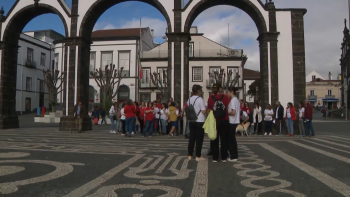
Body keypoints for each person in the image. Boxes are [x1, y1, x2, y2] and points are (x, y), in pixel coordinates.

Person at [207, 83, 230, 163]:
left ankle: (215, 158)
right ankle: (224, 157)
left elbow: (209, 109)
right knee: (224, 139)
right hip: (225, 120)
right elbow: (228, 107)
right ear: (220, 89)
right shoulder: (226, 97)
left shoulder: (210, 98)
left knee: (214, 139)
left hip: (215, 120)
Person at [187, 84, 207, 161]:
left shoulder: (189, 99)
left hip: (192, 120)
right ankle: (198, 156)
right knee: (199, 139)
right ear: (198, 91)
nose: (201, 92)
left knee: (191, 138)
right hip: (199, 120)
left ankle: (190, 154)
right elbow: (203, 111)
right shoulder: (200, 99)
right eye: (201, 90)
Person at [227, 87, 240, 162]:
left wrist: (226, 113)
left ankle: (233, 156)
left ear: (231, 92)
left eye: (228, 92)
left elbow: (233, 112)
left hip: (232, 121)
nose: (227, 93)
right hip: (235, 121)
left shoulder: (232, 101)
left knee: (230, 140)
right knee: (233, 139)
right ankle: (235, 155)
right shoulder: (237, 100)